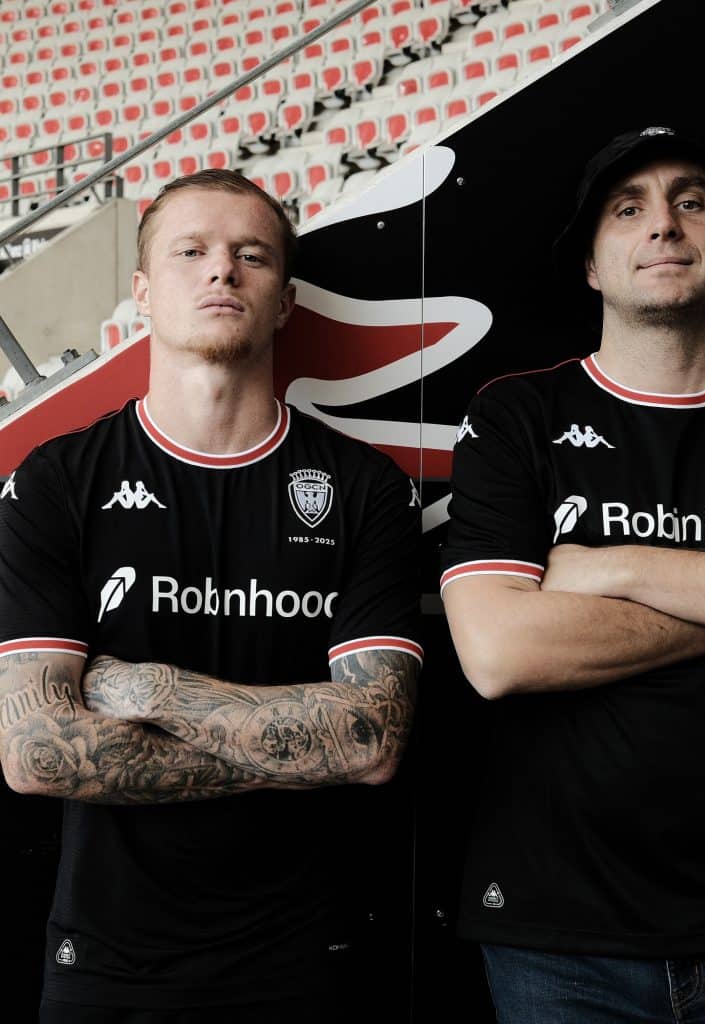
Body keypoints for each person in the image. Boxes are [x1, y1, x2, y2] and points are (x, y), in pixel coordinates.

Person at [0, 169, 422, 1023]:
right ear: (144, 293)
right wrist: (295, 746)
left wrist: (153, 690)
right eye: (191, 252)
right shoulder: (57, 482)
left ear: (285, 300)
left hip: (308, 955)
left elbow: (372, 741)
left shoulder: (363, 489)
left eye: (250, 255)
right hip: (109, 963)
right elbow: (37, 752)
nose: (221, 271)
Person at [440, 126, 705, 1022]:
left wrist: (609, 567)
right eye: (628, 208)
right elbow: (500, 654)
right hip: (559, 933)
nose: (663, 225)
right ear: (590, 265)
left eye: (690, 201)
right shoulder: (517, 415)